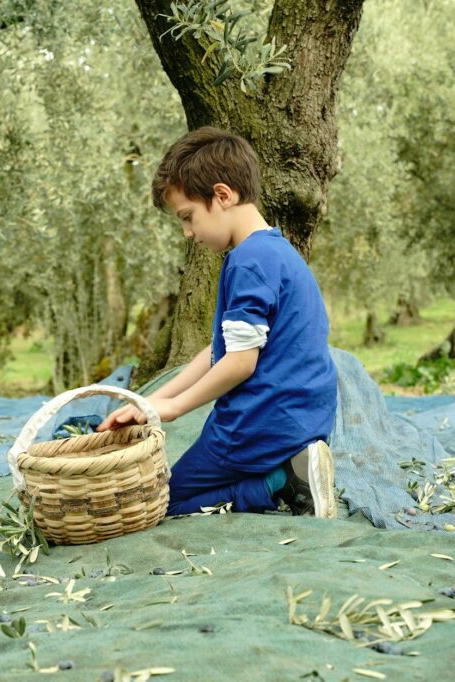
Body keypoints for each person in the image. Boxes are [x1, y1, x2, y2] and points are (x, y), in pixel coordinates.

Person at [97, 127, 338, 518]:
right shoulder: (276, 252)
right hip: (305, 417)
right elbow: (221, 350)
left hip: (257, 425)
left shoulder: (247, 261)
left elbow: (240, 363)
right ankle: (290, 468)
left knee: (161, 502)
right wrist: (150, 401)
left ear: (222, 195)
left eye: (187, 216)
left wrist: (173, 408)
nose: (188, 232)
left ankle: (279, 481)